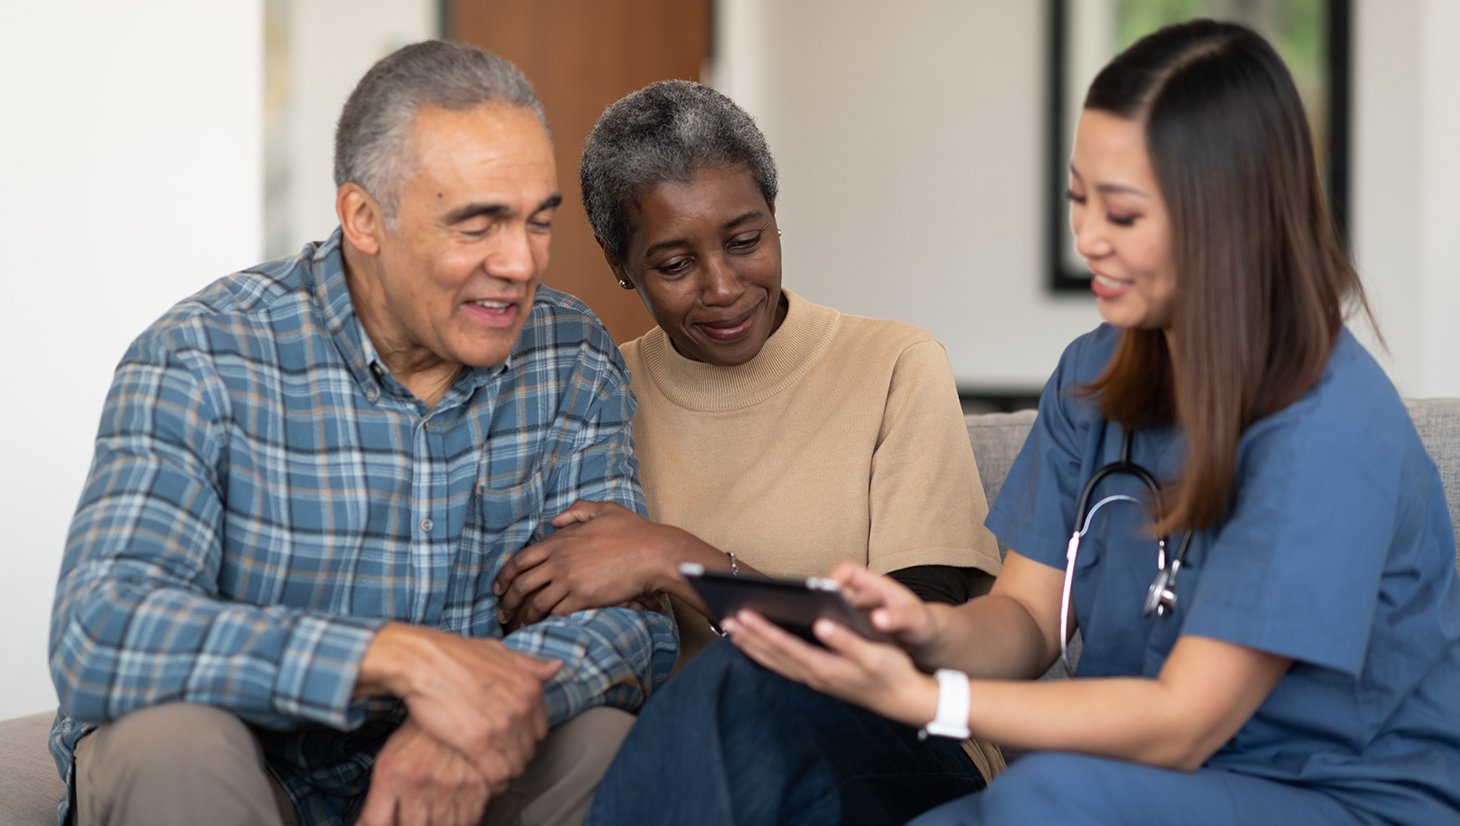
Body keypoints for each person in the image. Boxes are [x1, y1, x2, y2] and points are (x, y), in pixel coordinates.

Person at [710, 19, 1460, 825]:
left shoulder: (1328, 426)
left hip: (1336, 795)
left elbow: (1184, 722)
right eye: (1077, 198)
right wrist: (922, 629)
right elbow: (1030, 619)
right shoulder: (1094, 373)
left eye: (1125, 215)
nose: (1088, 237)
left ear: (1229, 219)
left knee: (1042, 796)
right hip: (1136, 786)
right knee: (842, 752)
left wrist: (933, 698)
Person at [47, 40, 676, 826]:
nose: (521, 263)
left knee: (604, 742)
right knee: (167, 740)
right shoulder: (201, 356)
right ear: (364, 219)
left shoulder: (572, 355)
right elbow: (99, 627)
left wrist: (473, 714)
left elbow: (628, 627)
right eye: (478, 225)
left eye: (536, 221)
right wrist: (403, 661)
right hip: (249, 764)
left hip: (468, 783)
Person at [490, 80, 1004, 824]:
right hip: (689, 770)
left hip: (904, 749)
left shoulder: (894, 364)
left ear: (774, 216)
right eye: (674, 264)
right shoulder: (598, 392)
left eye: (745, 241)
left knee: (745, 668)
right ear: (619, 264)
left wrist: (676, 560)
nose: (724, 287)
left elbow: (908, 641)